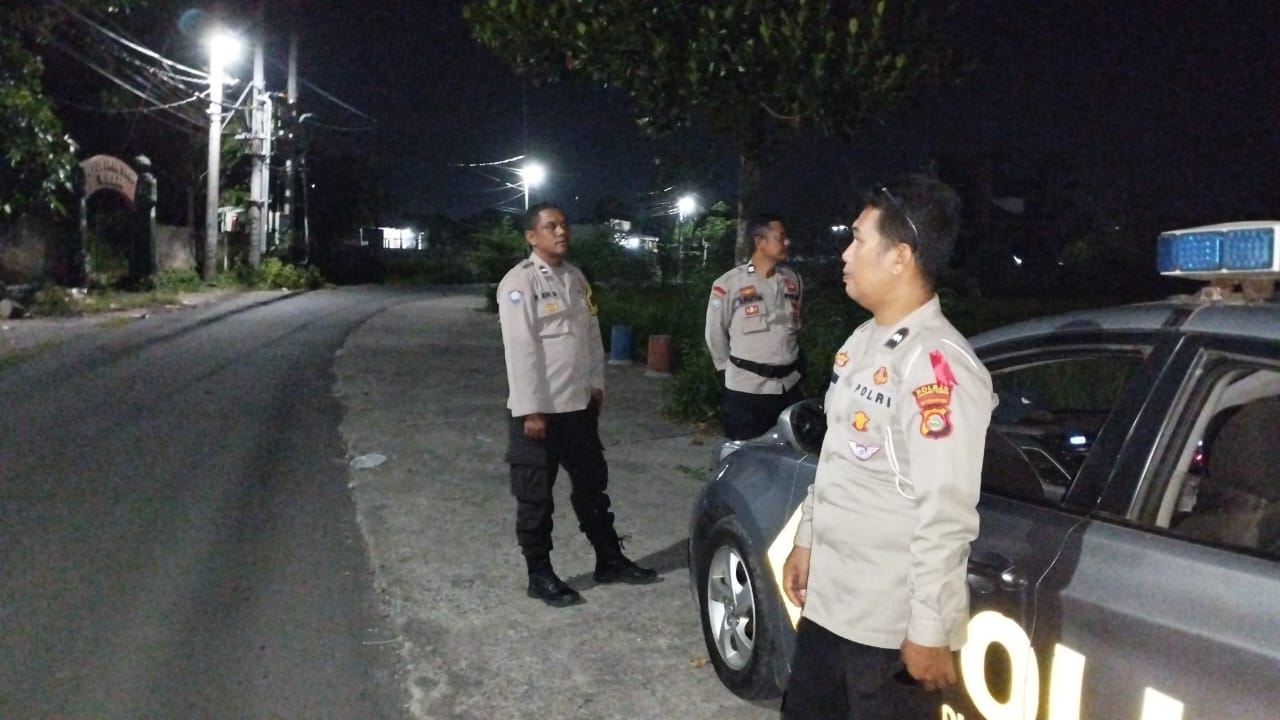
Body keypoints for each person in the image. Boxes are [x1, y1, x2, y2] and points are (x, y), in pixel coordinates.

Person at [780, 176, 995, 719]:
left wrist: (929, 629)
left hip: (885, 630)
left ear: (900, 256)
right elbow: (837, 458)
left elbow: (945, 511)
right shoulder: (864, 340)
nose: (845, 253)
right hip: (830, 606)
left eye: (857, 239)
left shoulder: (936, 366)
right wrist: (806, 539)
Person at [496, 201, 658, 608]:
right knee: (535, 496)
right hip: (539, 412)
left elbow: (590, 336)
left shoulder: (575, 278)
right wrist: (531, 409)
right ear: (531, 237)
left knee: (592, 487)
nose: (561, 232)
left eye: (564, 225)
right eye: (551, 226)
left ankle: (609, 559)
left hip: (577, 406)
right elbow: (520, 349)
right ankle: (539, 573)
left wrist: (596, 384)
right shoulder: (519, 282)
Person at [704, 214, 804, 440]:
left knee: (789, 454)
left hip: (788, 388)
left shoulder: (793, 280)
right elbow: (714, 333)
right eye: (780, 237)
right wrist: (728, 370)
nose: (787, 242)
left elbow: (795, 328)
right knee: (744, 454)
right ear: (760, 241)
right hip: (747, 391)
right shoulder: (729, 284)